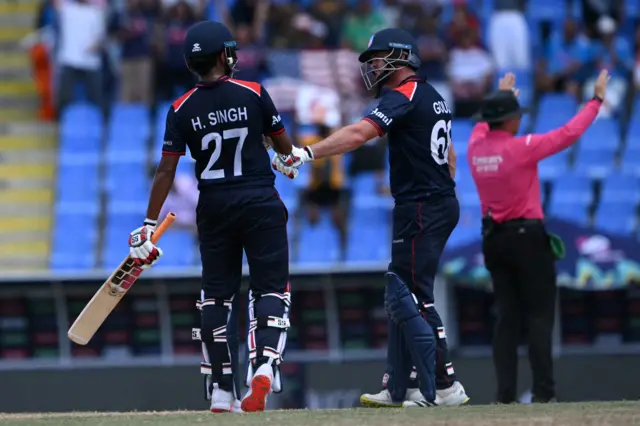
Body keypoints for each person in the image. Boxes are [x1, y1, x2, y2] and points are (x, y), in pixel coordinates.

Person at [273, 28, 468, 408]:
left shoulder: (403, 95)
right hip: (431, 202)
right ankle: (398, 386)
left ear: (399, 57)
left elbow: (361, 132)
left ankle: (443, 387)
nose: (372, 67)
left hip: (423, 205)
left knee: (412, 295)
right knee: (400, 291)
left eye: (377, 59)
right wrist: (440, 189)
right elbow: (451, 156)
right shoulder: (431, 95)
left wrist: (307, 154)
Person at [126, 20, 298, 413]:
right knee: (270, 288)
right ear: (224, 56)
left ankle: (222, 390)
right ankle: (265, 365)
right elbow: (285, 149)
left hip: (214, 207)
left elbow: (166, 170)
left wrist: (149, 226)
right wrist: (285, 158)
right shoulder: (253, 92)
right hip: (259, 200)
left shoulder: (180, 108)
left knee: (216, 296)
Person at [467, 70, 608, 404]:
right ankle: (544, 392)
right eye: (516, 115)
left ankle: (505, 396)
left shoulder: (475, 148)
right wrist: (596, 100)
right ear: (512, 121)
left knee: (506, 317)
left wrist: (501, 95)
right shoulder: (522, 148)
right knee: (539, 316)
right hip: (528, 239)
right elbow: (569, 133)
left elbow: (482, 127)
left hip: (494, 240)